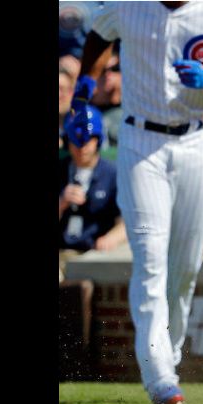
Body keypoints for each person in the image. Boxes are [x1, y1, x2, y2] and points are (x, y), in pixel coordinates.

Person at [72, 1, 203, 404]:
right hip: (140, 143)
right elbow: (100, 34)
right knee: (150, 259)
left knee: (186, 264)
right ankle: (159, 375)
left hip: (192, 140)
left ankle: (167, 357)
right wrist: (84, 88)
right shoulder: (129, 5)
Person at [59, 106, 127, 281]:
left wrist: (111, 238)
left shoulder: (113, 174)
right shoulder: (60, 170)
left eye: (88, 139)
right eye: (76, 139)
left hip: (93, 254)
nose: (82, 146)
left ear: (98, 140)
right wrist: (62, 203)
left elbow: (132, 224)